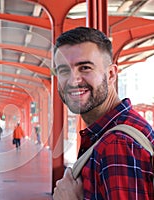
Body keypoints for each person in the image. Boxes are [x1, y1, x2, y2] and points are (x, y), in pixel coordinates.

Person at [52, 27, 154, 199]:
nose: (73, 80)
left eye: (84, 67)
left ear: (111, 74)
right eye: (63, 70)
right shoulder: (112, 130)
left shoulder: (117, 144)